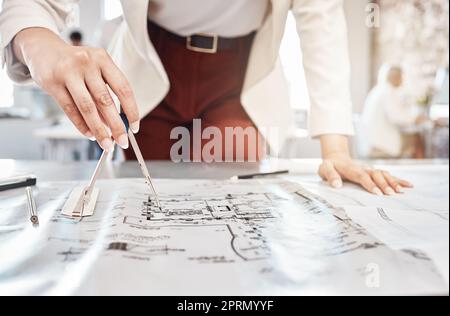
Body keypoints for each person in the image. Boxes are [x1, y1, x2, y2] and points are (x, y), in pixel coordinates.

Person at [0, 0, 412, 195]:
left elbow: (320, 17)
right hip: (149, 67)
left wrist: (335, 148)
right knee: (149, 194)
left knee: (237, 191)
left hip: (240, 77)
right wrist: (38, 42)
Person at [360, 65, 424, 159]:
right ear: (395, 77)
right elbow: (396, 117)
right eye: (401, 76)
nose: (402, 80)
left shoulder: (379, 90)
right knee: (417, 140)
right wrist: (416, 119)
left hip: (372, 142)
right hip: (381, 145)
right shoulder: (388, 92)